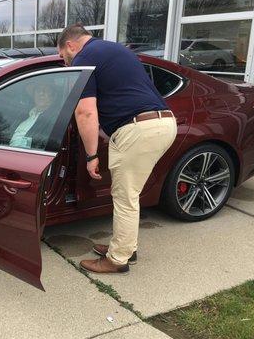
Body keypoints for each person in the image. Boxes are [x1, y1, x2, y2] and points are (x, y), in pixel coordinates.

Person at [57, 24, 177, 274]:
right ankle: (123, 246)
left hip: (138, 129)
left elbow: (85, 112)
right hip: (163, 122)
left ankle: (118, 259)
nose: (64, 62)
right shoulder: (112, 49)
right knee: (128, 194)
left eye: (62, 56)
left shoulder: (84, 57)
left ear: (70, 45)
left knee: (125, 197)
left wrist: (91, 156)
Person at [9, 80, 57, 150]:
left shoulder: (53, 119)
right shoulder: (24, 113)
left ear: (52, 97)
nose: (41, 93)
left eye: (46, 90)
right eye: (38, 90)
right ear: (33, 95)